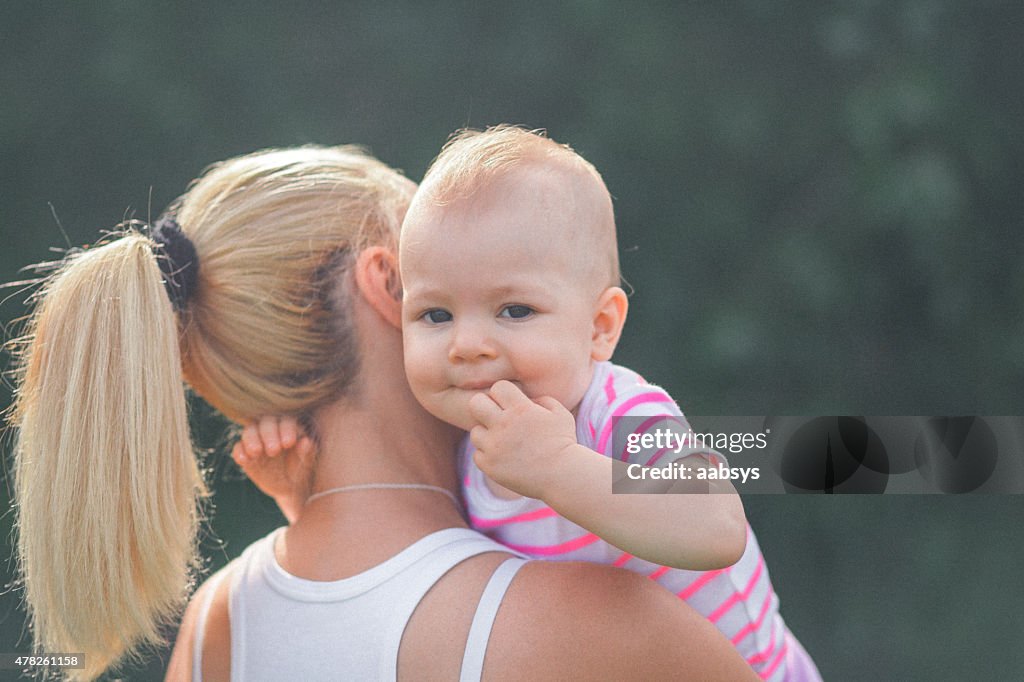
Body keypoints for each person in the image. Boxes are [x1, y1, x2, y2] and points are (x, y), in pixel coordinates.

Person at [8, 145, 759, 681]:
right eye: (439, 294)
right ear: (390, 286)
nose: (478, 341)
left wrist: (310, 508)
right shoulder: (598, 626)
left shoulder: (215, 630)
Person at [397, 126, 821, 680]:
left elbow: (717, 528)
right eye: (435, 315)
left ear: (600, 328)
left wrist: (556, 467)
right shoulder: (463, 442)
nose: (467, 344)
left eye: (515, 310)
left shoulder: (619, 413)